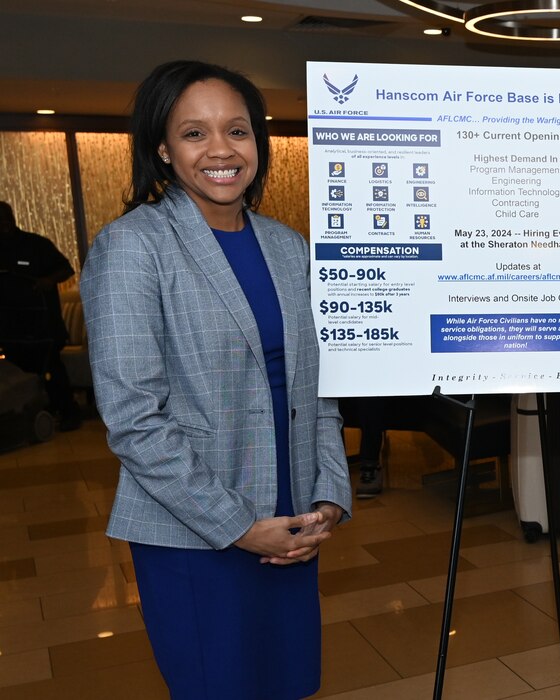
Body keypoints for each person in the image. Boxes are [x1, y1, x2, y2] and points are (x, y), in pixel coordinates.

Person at [81, 61, 351, 699]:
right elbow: (134, 418)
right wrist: (236, 524)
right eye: (195, 134)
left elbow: (316, 386)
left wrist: (329, 498)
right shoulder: (132, 246)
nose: (222, 150)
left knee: (287, 684)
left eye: (238, 130)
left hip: (292, 519)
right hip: (194, 529)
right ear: (163, 150)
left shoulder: (288, 246)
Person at [0, 201, 82, 430]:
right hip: (12, 331)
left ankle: (67, 413)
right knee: (18, 376)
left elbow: (66, 269)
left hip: (44, 328)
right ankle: (28, 416)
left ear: (9, 221)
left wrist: (47, 281)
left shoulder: (35, 245)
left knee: (52, 372)